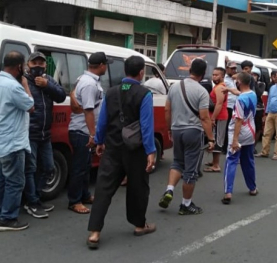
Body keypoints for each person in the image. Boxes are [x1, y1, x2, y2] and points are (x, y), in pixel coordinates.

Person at [86, 56, 157, 249]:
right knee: (138, 187)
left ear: (125, 71)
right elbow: (146, 126)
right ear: (141, 73)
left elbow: (102, 121)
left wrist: (99, 141)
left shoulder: (111, 92)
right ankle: (139, 225)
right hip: (135, 150)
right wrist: (151, 151)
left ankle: (94, 232)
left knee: (103, 189)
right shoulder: (144, 94)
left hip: (113, 147)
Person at [0, 51, 34, 232]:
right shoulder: (14, 87)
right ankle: (7, 219)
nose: (26, 69)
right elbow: (30, 106)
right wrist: (26, 85)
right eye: (25, 65)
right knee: (15, 181)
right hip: (12, 142)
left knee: (2, 180)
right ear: (18, 67)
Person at [159, 59, 215, 215]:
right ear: (203, 74)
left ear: (190, 69)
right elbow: (204, 118)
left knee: (177, 162)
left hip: (176, 129)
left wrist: (169, 128)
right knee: (190, 170)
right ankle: (186, 204)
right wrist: (211, 139)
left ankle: (169, 190)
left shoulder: (174, 87)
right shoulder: (201, 91)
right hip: (193, 131)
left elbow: (167, 110)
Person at [23, 52, 67, 219]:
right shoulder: (24, 81)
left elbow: (61, 95)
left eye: (41, 63)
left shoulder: (47, 79)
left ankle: (37, 197)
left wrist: (47, 85)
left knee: (49, 167)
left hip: (45, 134)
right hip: (29, 133)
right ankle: (32, 202)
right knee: (31, 168)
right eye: (35, 63)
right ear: (28, 64)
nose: (39, 66)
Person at [68, 52, 109, 215]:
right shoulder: (90, 84)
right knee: (79, 167)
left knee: (85, 166)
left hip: (83, 131)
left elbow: (74, 96)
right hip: (82, 131)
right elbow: (88, 111)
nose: (106, 67)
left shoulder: (84, 80)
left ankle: (84, 195)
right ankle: (74, 201)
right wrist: (93, 135)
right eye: (106, 64)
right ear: (100, 65)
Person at [222, 72, 259, 204]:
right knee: (248, 161)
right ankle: (252, 188)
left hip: (238, 132)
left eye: (237, 80)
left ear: (240, 82)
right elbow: (239, 92)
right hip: (250, 132)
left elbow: (238, 120)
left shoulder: (239, 101)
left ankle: (228, 192)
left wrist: (235, 140)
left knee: (231, 161)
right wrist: (229, 89)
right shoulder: (252, 94)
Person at [204, 67, 228, 173]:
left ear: (222, 76)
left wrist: (213, 118)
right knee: (214, 138)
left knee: (218, 140)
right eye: (213, 74)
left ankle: (216, 165)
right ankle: (214, 162)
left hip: (219, 117)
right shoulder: (218, 86)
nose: (214, 76)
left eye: (217, 75)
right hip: (217, 117)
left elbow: (219, 104)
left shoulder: (219, 88)